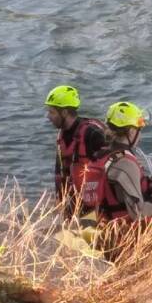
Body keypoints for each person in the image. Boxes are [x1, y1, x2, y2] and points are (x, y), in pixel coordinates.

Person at [84, 101, 152, 225]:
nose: (140, 136)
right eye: (139, 130)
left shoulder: (102, 156)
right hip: (129, 238)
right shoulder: (125, 163)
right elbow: (138, 214)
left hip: (107, 232)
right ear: (132, 131)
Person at [44, 85, 106, 217]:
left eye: (52, 112)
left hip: (94, 206)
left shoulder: (92, 133)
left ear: (65, 112)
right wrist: (59, 198)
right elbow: (59, 171)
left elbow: (111, 167)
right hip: (73, 205)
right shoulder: (62, 135)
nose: (48, 116)